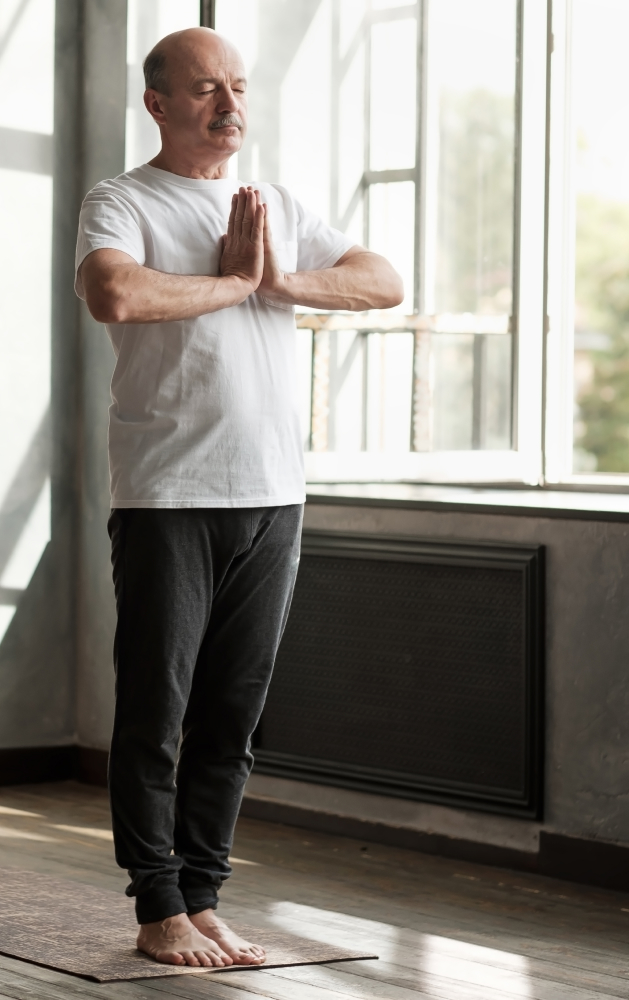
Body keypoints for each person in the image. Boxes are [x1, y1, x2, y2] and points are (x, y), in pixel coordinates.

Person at [75, 26, 402, 969]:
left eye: (240, 87)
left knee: (233, 713)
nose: (231, 105)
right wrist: (230, 281)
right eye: (207, 88)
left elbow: (382, 280)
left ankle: (205, 895)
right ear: (160, 104)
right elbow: (116, 296)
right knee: (157, 709)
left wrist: (280, 279)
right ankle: (157, 906)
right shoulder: (123, 199)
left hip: (274, 494)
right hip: (167, 493)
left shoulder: (278, 206)